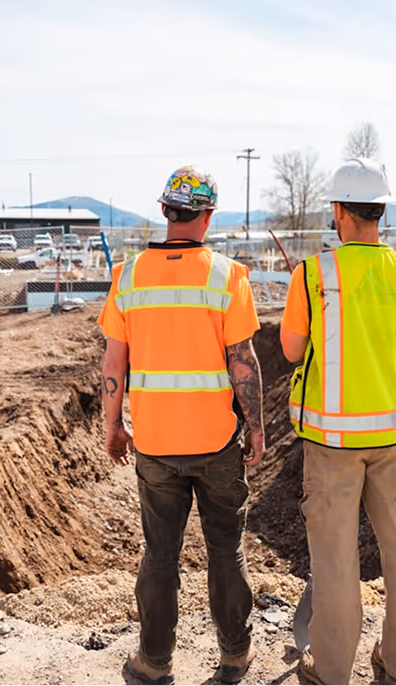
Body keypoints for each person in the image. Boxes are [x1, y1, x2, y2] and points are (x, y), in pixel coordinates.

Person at [97, 165, 264, 686]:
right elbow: (244, 362)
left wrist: (113, 427)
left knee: (160, 555)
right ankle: (235, 656)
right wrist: (255, 427)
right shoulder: (227, 276)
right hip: (216, 441)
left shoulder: (127, 277)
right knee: (225, 550)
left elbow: (112, 365)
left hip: (155, 443)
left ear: (166, 211)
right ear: (208, 215)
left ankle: (153, 662)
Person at [280, 158, 396, 686]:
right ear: (382, 210)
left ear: (340, 211)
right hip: (395, 438)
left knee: (335, 563)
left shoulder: (314, 274)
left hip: (332, 442)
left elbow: (291, 349)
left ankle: (330, 672)